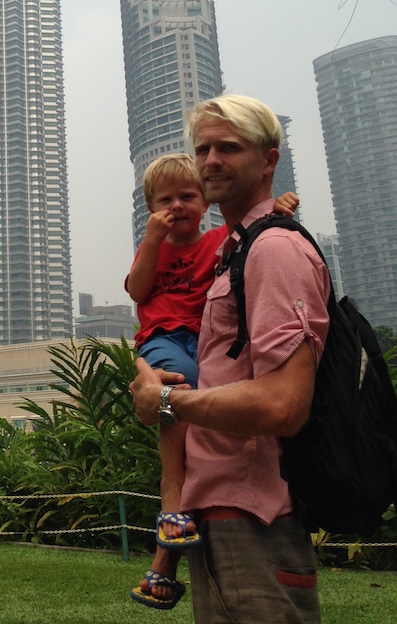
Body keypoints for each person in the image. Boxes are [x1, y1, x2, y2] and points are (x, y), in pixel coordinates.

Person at [130, 95, 329, 624]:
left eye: (229, 147)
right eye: (204, 148)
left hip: (254, 512)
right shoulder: (234, 249)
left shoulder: (272, 250)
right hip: (220, 507)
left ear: (269, 159)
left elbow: (284, 404)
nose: (212, 159)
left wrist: (167, 398)